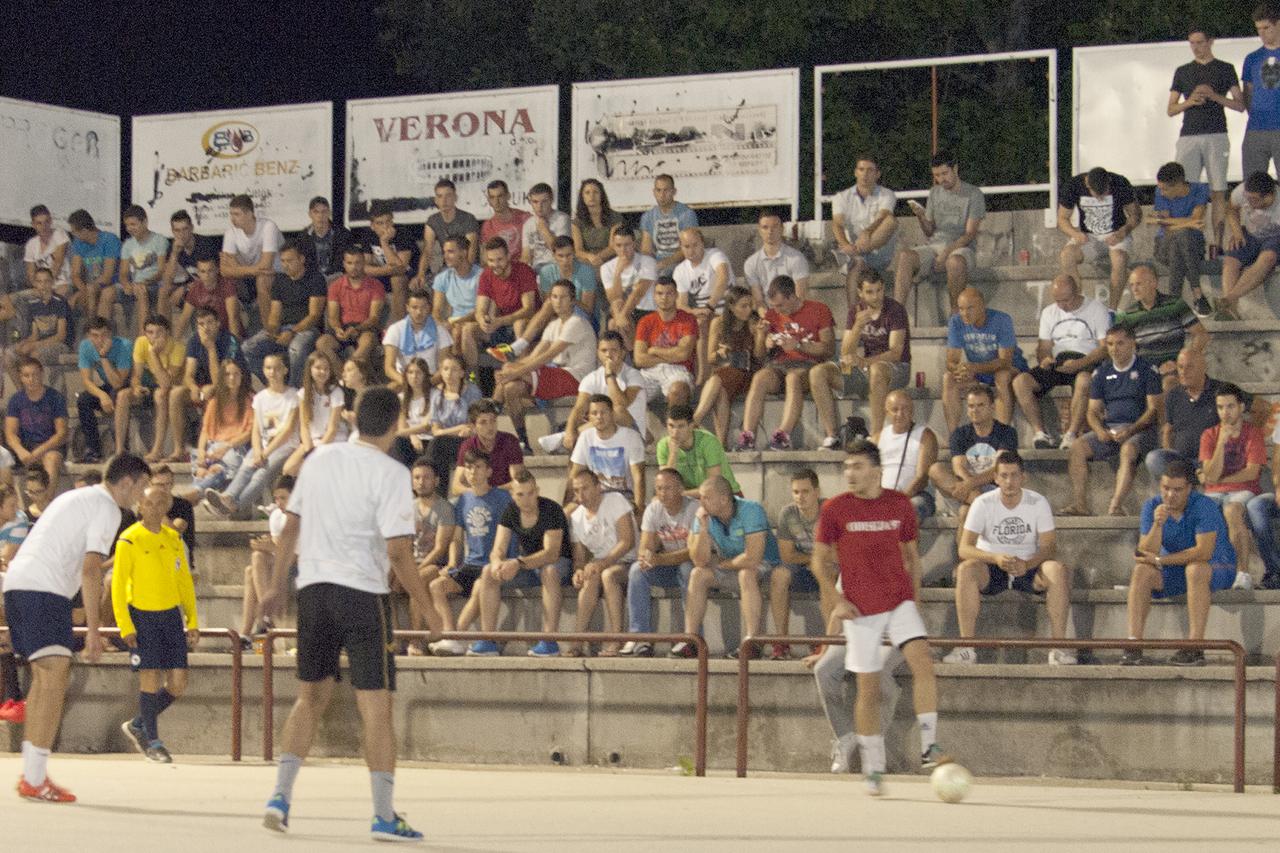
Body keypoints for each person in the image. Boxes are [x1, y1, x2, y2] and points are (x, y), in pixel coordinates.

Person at [258, 386, 432, 841]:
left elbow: (290, 529)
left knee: (309, 698)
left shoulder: (319, 459)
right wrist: (429, 608)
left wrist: (275, 585)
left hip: (313, 590)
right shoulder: (392, 473)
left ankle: (280, 796)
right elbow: (398, 552)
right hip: (362, 593)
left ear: (353, 418)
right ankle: (383, 815)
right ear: (395, 424)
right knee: (376, 706)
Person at [3, 454, 151, 803]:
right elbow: (91, 569)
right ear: (126, 482)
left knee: (45, 680)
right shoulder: (108, 508)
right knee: (54, 680)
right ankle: (34, 778)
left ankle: (32, 775)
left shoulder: (77, 496)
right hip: (43, 590)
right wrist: (95, 632)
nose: (142, 495)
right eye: (142, 486)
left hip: (20, 585)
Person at [812, 440, 948, 796]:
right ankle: (874, 767)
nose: (849, 473)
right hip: (861, 609)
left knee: (923, 662)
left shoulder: (900, 504)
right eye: (846, 467)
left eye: (857, 466)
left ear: (876, 470)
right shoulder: (835, 509)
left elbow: (912, 557)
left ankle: (929, 746)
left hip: (899, 602)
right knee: (868, 689)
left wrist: (914, 601)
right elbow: (818, 562)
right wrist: (838, 601)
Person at [945, 451, 1075, 665]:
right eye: (1004, 476)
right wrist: (995, 557)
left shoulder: (1038, 502)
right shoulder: (983, 503)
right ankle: (966, 647)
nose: (1009, 481)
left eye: (1014, 475)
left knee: (1057, 569)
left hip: (1028, 565)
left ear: (1023, 477)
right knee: (966, 569)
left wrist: (1028, 563)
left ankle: (1059, 648)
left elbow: (1049, 546)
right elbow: (965, 548)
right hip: (992, 567)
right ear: (995, 478)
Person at [1123, 459, 1248, 666]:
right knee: (1142, 571)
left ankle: (1195, 646)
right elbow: (1144, 552)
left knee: (1195, 569)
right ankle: (1133, 645)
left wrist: (1160, 560)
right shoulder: (1152, 506)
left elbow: (1203, 552)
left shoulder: (1204, 506)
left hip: (1217, 567)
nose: (1170, 495)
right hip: (1178, 568)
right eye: (1166, 488)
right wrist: (1157, 524)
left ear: (1189, 488)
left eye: (1177, 490)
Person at [113, 484, 199, 763]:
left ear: (167, 508)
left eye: (160, 504)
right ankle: (153, 742)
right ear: (140, 505)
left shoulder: (173, 539)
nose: (153, 509)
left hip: (170, 615)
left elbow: (184, 581)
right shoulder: (129, 539)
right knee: (149, 677)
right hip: (142, 614)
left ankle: (139, 723)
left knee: (178, 683)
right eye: (149, 503)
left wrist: (192, 619)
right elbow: (118, 585)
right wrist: (125, 625)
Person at [1062, 325, 1162, 517]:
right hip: (1111, 430)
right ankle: (1080, 504)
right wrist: (1099, 430)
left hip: (1140, 430)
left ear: (1132, 344)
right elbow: (1092, 411)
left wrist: (1131, 430)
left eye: (1120, 343)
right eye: (1109, 344)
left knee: (1128, 450)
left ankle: (1115, 505)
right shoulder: (1102, 372)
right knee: (1077, 447)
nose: (1114, 349)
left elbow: (1153, 410)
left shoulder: (1147, 369)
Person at [471, 470, 574, 657]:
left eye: (530, 493)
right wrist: (497, 563)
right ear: (512, 495)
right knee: (487, 572)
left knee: (549, 571)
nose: (526, 500)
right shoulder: (511, 510)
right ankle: (488, 640)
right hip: (527, 565)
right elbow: (498, 549)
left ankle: (549, 641)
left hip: (558, 563)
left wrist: (517, 563)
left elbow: (551, 554)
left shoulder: (551, 509)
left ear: (537, 491)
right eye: (520, 494)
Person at [811, 268, 911, 445]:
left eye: (879, 290)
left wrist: (865, 361)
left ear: (884, 288)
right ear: (860, 293)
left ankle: (876, 435)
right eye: (870, 292)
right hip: (866, 368)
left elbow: (896, 352)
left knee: (877, 369)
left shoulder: (895, 310)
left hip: (896, 368)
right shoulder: (855, 311)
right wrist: (857, 327)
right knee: (818, 372)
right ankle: (832, 436)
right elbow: (845, 353)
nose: (876, 296)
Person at [683, 476, 780, 659]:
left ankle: (752, 642)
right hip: (731, 566)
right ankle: (691, 641)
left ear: (724, 499)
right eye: (700, 497)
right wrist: (702, 529)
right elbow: (699, 561)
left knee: (746, 574)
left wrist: (722, 563)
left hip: (765, 566)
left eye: (706, 497)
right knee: (697, 574)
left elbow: (752, 558)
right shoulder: (703, 515)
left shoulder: (751, 510)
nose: (701, 502)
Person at [493, 279, 595, 452]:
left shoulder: (577, 322)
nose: (558, 301)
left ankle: (493, 407)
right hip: (557, 376)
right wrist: (509, 369)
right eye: (554, 297)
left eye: (563, 297)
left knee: (511, 372)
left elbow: (548, 356)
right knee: (511, 388)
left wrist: (513, 372)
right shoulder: (553, 325)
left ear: (572, 300)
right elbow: (533, 356)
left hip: (576, 379)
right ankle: (523, 441)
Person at [1012, 273, 1111, 450]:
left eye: (1066, 300)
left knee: (1084, 380)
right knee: (1020, 382)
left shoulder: (1096, 309)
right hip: (1058, 362)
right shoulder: (1049, 312)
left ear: (1077, 292)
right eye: (1058, 301)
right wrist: (1044, 360)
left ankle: (1071, 433)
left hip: (1086, 359)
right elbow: (1044, 347)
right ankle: (1040, 433)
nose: (1063, 306)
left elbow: (1105, 348)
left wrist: (1079, 364)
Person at [738, 274, 835, 451]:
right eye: (774, 306)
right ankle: (748, 435)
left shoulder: (819, 309)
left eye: (780, 305)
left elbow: (829, 349)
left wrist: (799, 345)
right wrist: (762, 337)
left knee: (793, 378)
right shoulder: (772, 315)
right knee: (759, 377)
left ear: (792, 296)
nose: (777, 310)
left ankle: (783, 434)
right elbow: (759, 356)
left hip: (807, 364)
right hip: (779, 365)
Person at [428, 450, 511, 657]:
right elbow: (457, 538)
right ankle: (450, 634)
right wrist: (452, 563)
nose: (473, 472)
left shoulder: (502, 498)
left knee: (479, 586)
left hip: (492, 565)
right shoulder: (462, 501)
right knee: (436, 586)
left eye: (478, 467)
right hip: (470, 564)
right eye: (469, 467)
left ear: (489, 471)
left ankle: (456, 637)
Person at [1169, 27, 1243, 252]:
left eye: (1200, 42)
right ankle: (1189, 241)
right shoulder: (1183, 71)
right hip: (1189, 135)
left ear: (1210, 42)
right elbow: (1171, 109)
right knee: (1186, 188)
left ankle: (1217, 244)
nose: (1195, 47)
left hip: (1216, 134)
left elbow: (1239, 104)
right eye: (1192, 43)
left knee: (1218, 189)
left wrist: (1214, 96)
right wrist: (1190, 101)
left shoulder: (1225, 68)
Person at [206, 354, 300, 519]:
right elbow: (256, 429)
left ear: (285, 370)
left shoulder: (293, 396)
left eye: (277, 368)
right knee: (245, 468)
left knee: (260, 475)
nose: (272, 372)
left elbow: (288, 430)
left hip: (284, 446)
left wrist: (265, 453)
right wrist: (257, 450)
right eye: (268, 368)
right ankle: (228, 497)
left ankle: (235, 506)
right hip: (262, 445)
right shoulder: (260, 397)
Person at [894, 151, 985, 312]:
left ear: (955, 169)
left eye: (944, 173)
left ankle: (955, 315)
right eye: (937, 175)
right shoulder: (934, 193)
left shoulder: (973, 194)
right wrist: (921, 216)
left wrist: (946, 253)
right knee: (905, 256)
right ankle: (897, 314)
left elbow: (969, 234)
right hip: (934, 246)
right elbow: (929, 231)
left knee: (954, 262)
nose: (941, 179)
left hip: (962, 248)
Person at [622, 467, 696, 657]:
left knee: (687, 569)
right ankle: (640, 638)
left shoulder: (695, 509)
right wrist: (647, 557)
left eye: (668, 488)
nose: (663, 493)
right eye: (659, 488)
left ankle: (692, 638)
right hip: (666, 566)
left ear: (681, 489)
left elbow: (693, 552)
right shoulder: (653, 509)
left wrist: (659, 558)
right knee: (637, 570)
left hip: (693, 564)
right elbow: (644, 547)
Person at [927, 383, 1019, 536]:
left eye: (980, 405)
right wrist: (972, 489)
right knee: (935, 469)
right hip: (967, 491)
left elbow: (1000, 469)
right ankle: (980, 502)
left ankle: (979, 505)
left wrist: (969, 484)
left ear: (992, 407)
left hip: (994, 489)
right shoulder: (960, 434)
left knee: (965, 512)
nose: (975, 410)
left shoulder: (1006, 432)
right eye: (971, 406)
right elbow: (958, 468)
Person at [1198, 383, 1268, 580]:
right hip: (1213, 492)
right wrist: (1221, 443)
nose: (1225, 412)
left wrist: (1220, 479)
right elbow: (1210, 474)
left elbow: (1252, 473)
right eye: (1220, 407)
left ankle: (1242, 573)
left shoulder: (1253, 433)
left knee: (1232, 510)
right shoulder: (1209, 435)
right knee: (1196, 510)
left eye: (1230, 406)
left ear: (1241, 407)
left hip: (1244, 490)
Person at [567, 468, 637, 657]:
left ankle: (616, 638)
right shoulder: (576, 517)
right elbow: (579, 558)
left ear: (598, 486)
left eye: (585, 488)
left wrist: (601, 564)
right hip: (602, 564)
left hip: (629, 561)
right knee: (589, 577)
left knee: (607, 575)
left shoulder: (615, 500)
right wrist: (578, 571)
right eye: (576, 490)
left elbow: (627, 541)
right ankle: (577, 641)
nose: (581, 495)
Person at [541, 331, 647, 455]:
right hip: (601, 433)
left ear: (622, 353)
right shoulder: (591, 378)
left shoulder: (634, 375)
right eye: (604, 350)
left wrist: (609, 375)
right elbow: (579, 408)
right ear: (598, 353)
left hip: (631, 435)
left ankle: (563, 439)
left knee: (617, 411)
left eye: (613, 350)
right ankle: (568, 437)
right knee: (595, 415)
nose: (608, 355)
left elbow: (621, 404)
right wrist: (570, 431)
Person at [941, 286, 1028, 437]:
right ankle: (954, 436)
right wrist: (960, 370)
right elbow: (951, 361)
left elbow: (1005, 361)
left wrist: (974, 368)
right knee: (948, 378)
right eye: (961, 309)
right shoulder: (956, 322)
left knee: (1001, 376)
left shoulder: (1002, 319)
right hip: (979, 372)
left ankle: (1001, 436)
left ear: (982, 306)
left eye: (970, 308)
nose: (965, 313)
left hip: (1010, 369)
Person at [243, 241, 327, 387]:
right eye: (282, 261)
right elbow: (275, 313)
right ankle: (275, 385)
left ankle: (294, 390)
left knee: (296, 349)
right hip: (282, 329)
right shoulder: (280, 280)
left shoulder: (316, 279)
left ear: (301, 259)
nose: (285, 265)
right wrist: (272, 329)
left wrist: (292, 332)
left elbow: (314, 315)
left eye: (289, 261)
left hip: (307, 330)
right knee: (247, 348)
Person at [1057, 167, 1141, 310]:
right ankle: (1076, 305)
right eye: (1097, 195)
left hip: (1116, 233)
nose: (1101, 198)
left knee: (1119, 259)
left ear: (1109, 182)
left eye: (1104, 193)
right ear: (1087, 185)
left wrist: (1123, 231)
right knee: (1067, 255)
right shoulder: (1074, 185)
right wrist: (1075, 234)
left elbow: (1136, 214)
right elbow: (1062, 218)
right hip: (1089, 236)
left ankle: (1112, 309)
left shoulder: (1120, 182)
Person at [1113, 263, 1206, 391]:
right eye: (1132, 285)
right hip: (1142, 369)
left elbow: (1201, 334)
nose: (1134, 289)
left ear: (1153, 283)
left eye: (1138, 284)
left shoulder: (1175, 305)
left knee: (1169, 383)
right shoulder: (1127, 314)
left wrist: (1182, 364)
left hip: (1173, 368)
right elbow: (1117, 344)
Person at [691, 287, 764, 448]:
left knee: (716, 379)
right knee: (720, 390)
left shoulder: (753, 323)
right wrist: (719, 353)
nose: (748, 309)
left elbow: (759, 357)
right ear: (731, 306)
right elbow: (710, 358)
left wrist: (760, 335)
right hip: (726, 372)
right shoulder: (719, 323)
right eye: (743, 306)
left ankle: (695, 420)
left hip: (747, 372)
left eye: (750, 305)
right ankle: (721, 445)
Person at [768, 468, 828, 661]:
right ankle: (781, 642)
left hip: (829, 567)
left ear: (817, 492)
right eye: (796, 492)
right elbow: (787, 555)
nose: (800, 497)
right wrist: (813, 559)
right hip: (803, 568)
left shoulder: (829, 511)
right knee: (779, 575)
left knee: (828, 571)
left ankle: (828, 640)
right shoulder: (788, 513)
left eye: (805, 491)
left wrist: (818, 561)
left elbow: (837, 553)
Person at [466, 238, 538, 389]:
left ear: (508, 256)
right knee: (468, 330)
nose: (495, 264)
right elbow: (480, 309)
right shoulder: (486, 275)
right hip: (502, 326)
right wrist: (483, 320)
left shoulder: (523, 271)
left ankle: (523, 380)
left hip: (527, 325)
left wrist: (500, 321)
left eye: (499, 260)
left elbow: (529, 309)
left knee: (519, 324)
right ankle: (473, 383)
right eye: (491, 260)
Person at [171, 308, 242, 461]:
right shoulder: (194, 340)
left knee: (210, 391)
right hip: (204, 386)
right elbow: (188, 374)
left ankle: (207, 447)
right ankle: (178, 449)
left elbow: (221, 380)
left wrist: (210, 348)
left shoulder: (230, 341)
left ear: (218, 323)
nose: (205, 328)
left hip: (232, 386)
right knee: (176, 394)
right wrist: (193, 387)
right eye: (201, 324)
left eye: (209, 322)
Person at [830, 155, 899, 311]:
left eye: (870, 170)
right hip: (853, 252)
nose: (865, 174)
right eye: (861, 169)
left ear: (877, 174)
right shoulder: (842, 197)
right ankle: (853, 317)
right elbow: (837, 224)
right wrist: (845, 244)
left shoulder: (887, 194)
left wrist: (867, 232)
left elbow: (883, 216)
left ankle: (852, 253)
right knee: (858, 264)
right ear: (855, 172)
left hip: (877, 251)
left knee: (891, 221)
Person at [403, 462, 453, 655]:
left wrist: (414, 569)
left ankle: (415, 641)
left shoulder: (444, 508)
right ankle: (392, 639)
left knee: (417, 579)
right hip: (411, 562)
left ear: (436, 481)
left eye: (426, 477)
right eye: (416, 478)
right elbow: (403, 544)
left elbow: (440, 548)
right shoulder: (408, 507)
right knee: (381, 579)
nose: (421, 482)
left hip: (435, 564)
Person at [1152, 162, 1213, 317]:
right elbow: (1166, 226)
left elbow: (1196, 218)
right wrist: (1190, 223)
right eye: (1160, 188)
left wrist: (1183, 223)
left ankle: (1174, 303)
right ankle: (1197, 294)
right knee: (1181, 236)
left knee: (1180, 241)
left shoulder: (1200, 189)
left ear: (1179, 185)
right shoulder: (1159, 192)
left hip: (1193, 246)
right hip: (1164, 245)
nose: (1162, 193)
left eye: (1165, 189)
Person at [240, 475, 293, 650]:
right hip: (281, 564)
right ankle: (257, 625)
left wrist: (272, 548)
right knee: (253, 564)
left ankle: (257, 624)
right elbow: (278, 548)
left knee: (255, 563)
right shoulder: (276, 516)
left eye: (283, 498)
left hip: (300, 567)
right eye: (276, 498)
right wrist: (265, 545)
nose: (279, 503)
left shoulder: (303, 516)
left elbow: (299, 556)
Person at [568, 394, 646, 513]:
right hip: (594, 496)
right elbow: (575, 474)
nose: (599, 417)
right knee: (565, 514)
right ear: (589, 417)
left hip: (624, 497)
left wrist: (639, 509)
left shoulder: (631, 437)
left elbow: (638, 477)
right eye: (594, 413)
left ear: (612, 413)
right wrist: (569, 502)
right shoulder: (585, 437)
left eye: (603, 412)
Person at [187, 358, 253, 497]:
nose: (232, 378)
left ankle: (195, 492)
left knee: (221, 467)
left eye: (236, 374)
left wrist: (227, 446)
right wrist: (201, 451)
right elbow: (205, 430)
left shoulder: (249, 400)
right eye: (228, 374)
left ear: (242, 376)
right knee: (203, 470)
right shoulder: (215, 401)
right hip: (213, 445)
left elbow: (249, 432)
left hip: (235, 446)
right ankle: (201, 491)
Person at [1219, 170, 1280, 318]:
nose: (1250, 203)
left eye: (1255, 200)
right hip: (1250, 234)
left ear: (1270, 196)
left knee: (1268, 258)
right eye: (1248, 199)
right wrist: (1237, 232)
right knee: (1230, 260)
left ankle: (1229, 299)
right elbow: (1231, 209)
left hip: (1275, 237)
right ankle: (1230, 310)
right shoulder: (1242, 191)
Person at [4, 358, 67, 495]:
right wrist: (20, 450)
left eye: (35, 374)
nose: (31, 379)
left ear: (42, 374)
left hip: (51, 446)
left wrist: (39, 451)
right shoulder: (16, 400)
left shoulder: (55, 398)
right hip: (25, 448)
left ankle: (46, 500)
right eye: (26, 375)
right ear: (21, 377)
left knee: (51, 459)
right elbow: (10, 433)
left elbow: (61, 434)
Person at [129, 314, 186, 463]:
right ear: (144, 333)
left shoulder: (178, 347)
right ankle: (123, 450)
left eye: (159, 332)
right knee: (125, 395)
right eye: (150, 332)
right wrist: (136, 387)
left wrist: (153, 353)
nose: (154, 336)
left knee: (162, 394)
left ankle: (171, 449)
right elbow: (136, 375)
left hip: (181, 387)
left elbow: (167, 383)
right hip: (157, 385)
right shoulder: (141, 342)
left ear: (167, 332)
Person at [76, 317, 134, 463]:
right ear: (88, 336)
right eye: (95, 336)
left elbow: (118, 383)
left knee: (116, 394)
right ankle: (93, 450)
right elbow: (86, 381)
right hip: (109, 386)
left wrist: (103, 356)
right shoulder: (85, 346)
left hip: (129, 385)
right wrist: (102, 395)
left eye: (104, 335)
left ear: (110, 334)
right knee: (83, 400)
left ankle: (122, 448)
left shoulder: (124, 345)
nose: (100, 340)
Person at [634, 278, 697, 409]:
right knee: (628, 394)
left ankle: (674, 422)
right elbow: (639, 359)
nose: (664, 298)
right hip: (650, 371)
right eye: (660, 293)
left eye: (669, 293)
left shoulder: (688, 319)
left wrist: (654, 350)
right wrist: (673, 354)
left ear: (676, 295)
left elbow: (684, 354)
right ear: (654, 296)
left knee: (678, 391)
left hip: (678, 370)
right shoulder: (645, 321)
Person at [316, 245, 386, 365]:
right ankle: (342, 375)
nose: (353, 267)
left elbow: (374, 318)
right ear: (344, 264)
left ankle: (350, 372)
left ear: (364, 263)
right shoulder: (335, 286)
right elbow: (333, 317)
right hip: (343, 328)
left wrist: (357, 329)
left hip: (365, 328)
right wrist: (338, 329)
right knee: (322, 343)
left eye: (357, 263)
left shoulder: (376, 285)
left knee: (367, 340)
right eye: (349, 263)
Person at [220, 194, 283, 325]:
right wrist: (252, 270)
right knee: (227, 282)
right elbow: (224, 270)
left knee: (262, 280)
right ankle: (236, 330)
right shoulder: (230, 232)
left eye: (237, 214)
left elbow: (266, 265)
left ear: (250, 214)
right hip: (250, 276)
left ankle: (269, 329)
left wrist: (236, 268)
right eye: (231, 214)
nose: (232, 219)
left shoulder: (268, 226)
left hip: (277, 275)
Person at [283, 352, 348, 477]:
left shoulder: (336, 392)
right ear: (310, 369)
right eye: (318, 368)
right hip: (313, 441)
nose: (322, 372)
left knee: (315, 468)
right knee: (289, 468)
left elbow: (333, 428)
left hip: (333, 440)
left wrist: (318, 451)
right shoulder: (303, 393)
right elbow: (304, 426)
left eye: (326, 369)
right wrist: (309, 449)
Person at [656, 404, 741, 498]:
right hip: (689, 496)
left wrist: (681, 494)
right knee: (656, 502)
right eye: (671, 426)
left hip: (724, 496)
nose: (675, 432)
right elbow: (665, 484)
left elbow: (713, 487)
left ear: (691, 426)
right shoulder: (663, 445)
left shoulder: (708, 442)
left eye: (681, 426)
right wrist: (673, 453)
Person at [879, 390, 938, 522]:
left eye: (905, 408)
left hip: (916, 495)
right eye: (895, 409)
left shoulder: (925, 435)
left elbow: (922, 478)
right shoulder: (879, 437)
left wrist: (898, 500)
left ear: (912, 410)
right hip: (884, 496)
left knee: (909, 509)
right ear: (887, 412)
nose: (900, 414)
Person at [424, 353, 481, 489]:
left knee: (437, 445)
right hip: (445, 440)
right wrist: (458, 428)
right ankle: (436, 491)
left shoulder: (472, 392)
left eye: (454, 370)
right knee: (438, 444)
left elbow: (472, 426)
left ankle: (437, 491)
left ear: (462, 373)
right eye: (445, 369)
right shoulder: (436, 394)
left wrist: (445, 431)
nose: (449, 374)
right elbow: (436, 430)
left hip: (468, 441)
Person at [6, 267, 70, 387]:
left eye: (46, 281)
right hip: (40, 343)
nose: (43, 285)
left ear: (52, 282)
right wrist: (23, 344)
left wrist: (35, 345)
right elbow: (35, 335)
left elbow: (61, 336)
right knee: (9, 355)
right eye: (39, 282)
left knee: (35, 355)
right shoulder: (33, 304)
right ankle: (23, 393)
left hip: (60, 344)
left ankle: (40, 392)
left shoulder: (60, 302)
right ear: (35, 284)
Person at [115, 205, 170, 336]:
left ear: (144, 222)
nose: (130, 228)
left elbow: (162, 270)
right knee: (109, 292)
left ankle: (143, 336)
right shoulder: (128, 245)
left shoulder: (159, 240)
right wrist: (126, 284)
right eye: (127, 225)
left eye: (133, 224)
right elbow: (123, 273)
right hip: (136, 284)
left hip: (155, 283)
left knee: (141, 291)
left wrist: (144, 283)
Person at [382, 288, 453, 389]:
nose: (419, 312)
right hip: (404, 380)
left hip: (431, 380)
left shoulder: (441, 331)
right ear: (407, 308)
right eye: (414, 307)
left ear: (429, 308)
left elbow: (443, 367)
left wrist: (427, 384)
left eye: (423, 307)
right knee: (389, 390)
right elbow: (389, 368)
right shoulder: (395, 329)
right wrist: (408, 383)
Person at [451, 398, 525, 495]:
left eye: (493, 421)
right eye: (483, 422)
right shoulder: (468, 445)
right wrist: (477, 492)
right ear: (473, 426)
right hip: (477, 496)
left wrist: (489, 492)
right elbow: (456, 487)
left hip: (504, 496)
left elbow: (518, 481)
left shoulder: (510, 441)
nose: (490, 426)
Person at [157, 209, 221, 321]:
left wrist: (185, 288)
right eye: (177, 230)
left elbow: (209, 277)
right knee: (163, 291)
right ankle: (162, 329)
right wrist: (174, 254)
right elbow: (167, 280)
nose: (181, 234)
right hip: (191, 285)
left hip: (212, 284)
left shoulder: (204, 244)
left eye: (185, 229)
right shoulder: (173, 247)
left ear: (191, 228)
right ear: (172, 231)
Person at [413, 179, 479, 286]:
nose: (444, 201)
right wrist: (421, 274)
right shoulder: (433, 221)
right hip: (447, 268)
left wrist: (462, 277)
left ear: (455, 198)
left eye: (448, 196)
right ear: (435, 200)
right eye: (440, 196)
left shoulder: (468, 219)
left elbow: (471, 253)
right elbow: (427, 251)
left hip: (470, 268)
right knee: (421, 285)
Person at [359, 202, 417, 322]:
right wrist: (387, 270)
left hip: (409, 274)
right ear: (372, 226)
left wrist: (384, 243)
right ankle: (366, 327)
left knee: (397, 278)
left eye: (388, 221)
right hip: (384, 274)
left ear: (392, 221)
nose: (385, 226)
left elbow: (401, 268)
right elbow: (364, 267)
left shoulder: (403, 233)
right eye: (380, 223)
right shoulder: (368, 235)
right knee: (358, 278)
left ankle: (400, 326)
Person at [601, 227, 659, 345]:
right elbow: (614, 298)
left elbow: (638, 293)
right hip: (622, 310)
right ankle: (628, 352)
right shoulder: (606, 267)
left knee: (617, 321)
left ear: (634, 244)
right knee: (614, 318)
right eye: (619, 245)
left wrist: (622, 316)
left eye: (627, 245)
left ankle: (633, 352)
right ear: (614, 246)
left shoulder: (648, 262)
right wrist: (617, 273)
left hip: (646, 310)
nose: (623, 249)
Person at [1242, 6, 1280, 180]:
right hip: (1256, 127)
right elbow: (1248, 92)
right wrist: (1254, 115)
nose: (1262, 33)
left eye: (1266, 28)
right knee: (1253, 182)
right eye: (1258, 29)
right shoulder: (1252, 58)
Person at [743, 211, 810, 304]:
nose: (770, 231)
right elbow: (759, 302)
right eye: (765, 227)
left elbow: (800, 298)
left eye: (775, 226)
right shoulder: (751, 263)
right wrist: (767, 313)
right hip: (767, 312)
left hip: (792, 310)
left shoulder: (797, 258)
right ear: (759, 230)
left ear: (782, 229)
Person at [432, 236, 484, 354]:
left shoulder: (481, 276)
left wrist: (457, 322)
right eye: (444, 252)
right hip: (454, 323)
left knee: (459, 332)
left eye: (450, 252)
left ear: (464, 253)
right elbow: (436, 311)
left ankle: (462, 366)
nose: (446, 256)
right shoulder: (442, 278)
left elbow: (480, 310)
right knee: (443, 331)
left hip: (477, 321)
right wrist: (442, 324)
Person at [67, 209, 120, 321]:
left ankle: (95, 326)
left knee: (98, 292)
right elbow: (75, 275)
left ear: (84, 231)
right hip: (92, 285)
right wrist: (83, 290)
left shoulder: (109, 240)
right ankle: (90, 327)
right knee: (72, 299)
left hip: (113, 283)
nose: (73, 235)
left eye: (74, 232)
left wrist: (88, 289)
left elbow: (107, 276)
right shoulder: (78, 243)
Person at [640, 174, 698, 273]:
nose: (662, 195)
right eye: (658, 190)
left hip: (682, 263)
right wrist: (648, 267)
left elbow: (691, 248)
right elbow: (646, 250)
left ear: (674, 192)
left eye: (666, 190)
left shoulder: (687, 214)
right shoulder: (648, 217)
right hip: (657, 264)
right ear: (654, 192)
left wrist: (665, 263)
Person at [174, 255, 240, 339]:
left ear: (217, 270)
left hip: (226, 333)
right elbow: (184, 318)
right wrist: (174, 342)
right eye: (203, 271)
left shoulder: (227, 285)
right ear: (198, 273)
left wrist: (234, 343)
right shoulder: (195, 288)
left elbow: (233, 318)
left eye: (210, 270)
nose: (207, 275)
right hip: (207, 335)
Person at [571, 178, 625, 273]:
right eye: (587, 193)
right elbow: (578, 250)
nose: (591, 196)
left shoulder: (615, 218)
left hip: (610, 259)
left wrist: (597, 258)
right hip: (588, 261)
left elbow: (613, 246)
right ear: (582, 197)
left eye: (595, 192)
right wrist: (590, 257)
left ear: (601, 195)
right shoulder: (577, 222)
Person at [298, 196, 354, 283]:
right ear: (310, 214)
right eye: (316, 212)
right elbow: (304, 264)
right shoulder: (303, 237)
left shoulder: (343, 234)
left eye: (324, 211)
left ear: (329, 213)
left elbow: (344, 263)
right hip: (313, 282)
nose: (320, 216)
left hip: (338, 279)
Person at [520, 182, 571, 273]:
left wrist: (544, 229)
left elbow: (561, 251)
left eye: (544, 201)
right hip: (535, 269)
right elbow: (526, 255)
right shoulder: (528, 224)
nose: (539, 206)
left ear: (551, 200)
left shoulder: (562, 219)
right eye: (535, 202)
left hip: (557, 267)